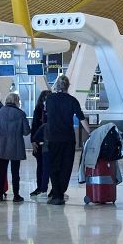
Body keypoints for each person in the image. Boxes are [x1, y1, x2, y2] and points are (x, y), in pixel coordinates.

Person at [42, 75, 86, 205]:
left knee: (53, 166)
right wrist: (90, 133)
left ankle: (57, 194)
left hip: (53, 138)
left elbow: (46, 114)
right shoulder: (72, 100)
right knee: (66, 167)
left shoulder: (49, 99)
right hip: (68, 139)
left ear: (56, 86)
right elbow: (81, 118)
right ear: (68, 86)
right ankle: (60, 192)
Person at [0, 92, 29, 202]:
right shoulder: (21, 114)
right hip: (16, 146)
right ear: (16, 101)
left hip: (2, 146)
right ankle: (16, 195)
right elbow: (26, 132)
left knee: (2, 172)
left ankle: (0, 194)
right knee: (15, 173)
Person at [29, 89, 50, 196]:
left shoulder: (52, 110)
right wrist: (33, 140)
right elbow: (34, 125)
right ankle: (40, 187)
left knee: (48, 166)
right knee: (40, 165)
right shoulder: (38, 110)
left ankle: (46, 188)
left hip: (49, 142)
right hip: (39, 141)